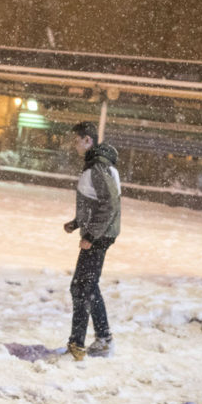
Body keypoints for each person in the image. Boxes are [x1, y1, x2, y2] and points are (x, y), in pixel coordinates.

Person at [63, 122, 121, 360]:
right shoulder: (95, 166)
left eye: (77, 140)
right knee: (88, 286)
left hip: (99, 237)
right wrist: (77, 223)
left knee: (81, 287)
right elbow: (95, 203)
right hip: (99, 234)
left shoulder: (98, 168)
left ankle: (78, 344)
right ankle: (104, 338)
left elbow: (109, 205)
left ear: (88, 140)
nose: (74, 145)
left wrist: (89, 235)